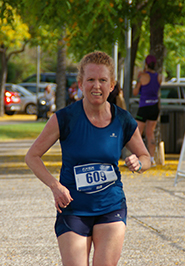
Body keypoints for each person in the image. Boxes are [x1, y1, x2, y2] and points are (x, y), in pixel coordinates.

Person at [25, 51, 151, 266]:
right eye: (91, 80)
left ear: (111, 85)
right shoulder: (64, 118)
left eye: (103, 80)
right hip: (73, 209)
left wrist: (139, 163)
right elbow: (32, 156)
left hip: (110, 206)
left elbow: (146, 157)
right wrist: (55, 186)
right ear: (80, 83)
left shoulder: (123, 119)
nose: (96, 86)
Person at [133, 54, 162, 166]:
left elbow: (135, 92)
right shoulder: (159, 77)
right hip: (154, 107)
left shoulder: (142, 76)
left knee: (137, 133)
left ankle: (137, 156)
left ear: (146, 64)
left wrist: (138, 79)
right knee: (150, 133)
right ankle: (151, 158)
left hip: (144, 107)